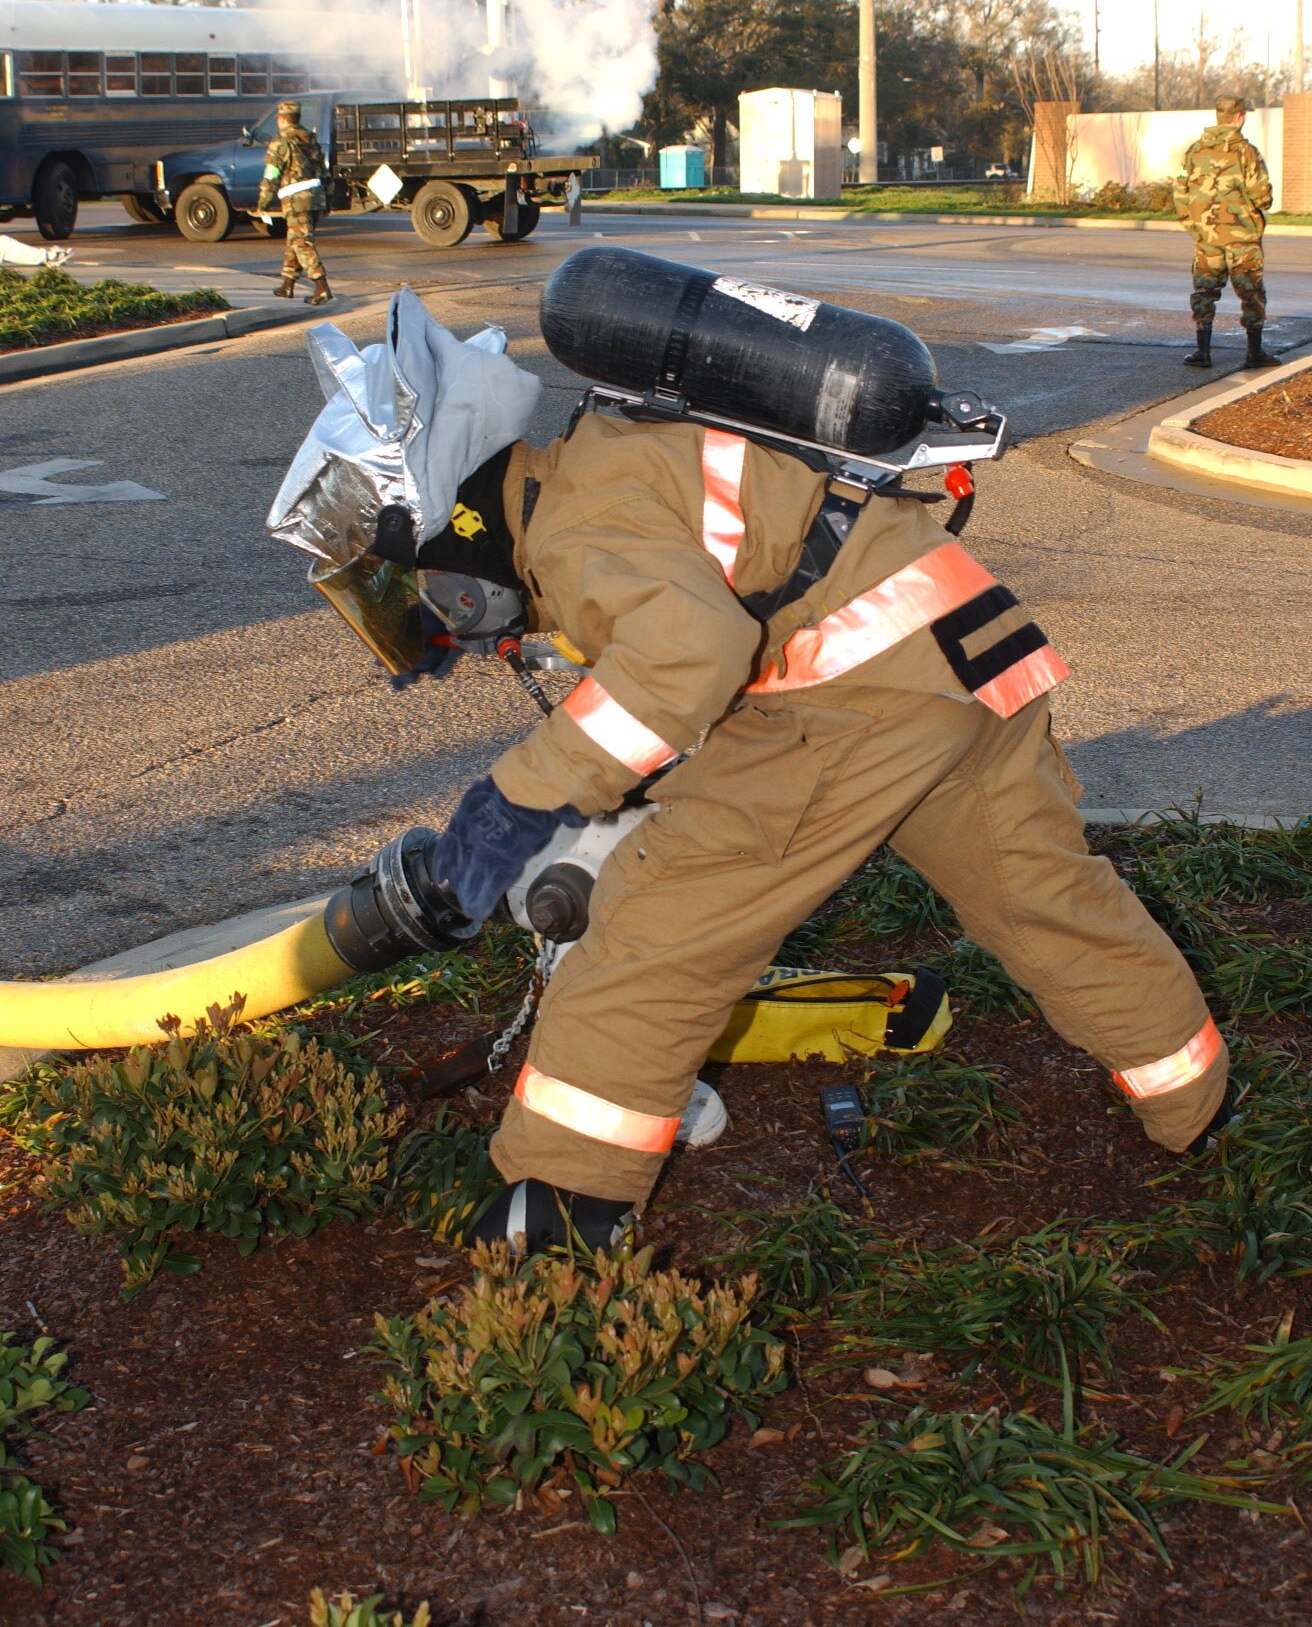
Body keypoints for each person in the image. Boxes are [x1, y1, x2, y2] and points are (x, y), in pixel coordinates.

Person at [270, 265, 1231, 1257]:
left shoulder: (570, 527)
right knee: (1041, 895)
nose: (427, 617)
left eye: (412, 583)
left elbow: (687, 658)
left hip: (855, 694)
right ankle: (1197, 1100)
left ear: (452, 531)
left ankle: (558, 1215)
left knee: (654, 927)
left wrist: (509, 805)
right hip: (962, 643)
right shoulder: (607, 455)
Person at [1173, 94, 1278, 371]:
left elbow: (1179, 193)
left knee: (1205, 292)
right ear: (1240, 117)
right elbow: (1262, 197)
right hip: (1242, 238)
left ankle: (1202, 352)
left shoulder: (1194, 151)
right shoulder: (1247, 152)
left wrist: (1195, 227)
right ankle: (1254, 352)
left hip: (1206, 237)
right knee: (1251, 293)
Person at [258, 100, 332, 306]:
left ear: (281, 119)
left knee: (302, 243)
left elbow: (272, 173)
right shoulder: (309, 139)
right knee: (294, 240)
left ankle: (321, 286)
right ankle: (287, 285)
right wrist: (328, 199)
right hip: (316, 197)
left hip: (296, 200)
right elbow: (324, 171)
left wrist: (263, 201)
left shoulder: (281, 141)